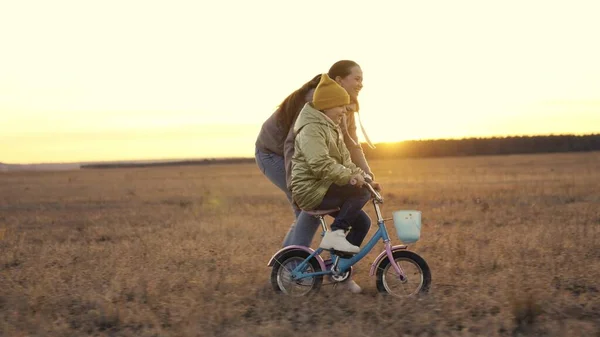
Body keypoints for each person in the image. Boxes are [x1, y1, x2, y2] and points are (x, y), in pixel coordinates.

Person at [290, 73, 373, 256]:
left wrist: (364, 176)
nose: (344, 111)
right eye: (341, 106)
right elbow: (319, 163)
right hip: (311, 189)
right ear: (327, 105)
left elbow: (346, 161)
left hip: (323, 185)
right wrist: (350, 178)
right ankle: (336, 235)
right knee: (361, 192)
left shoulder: (331, 128)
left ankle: (338, 267)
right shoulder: (311, 129)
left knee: (363, 223)